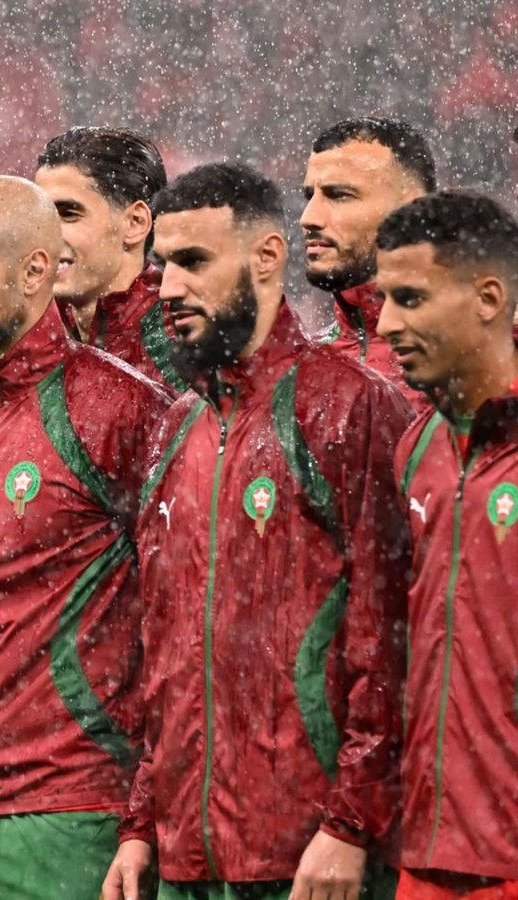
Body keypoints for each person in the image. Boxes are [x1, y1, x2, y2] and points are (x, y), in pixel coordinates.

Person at [103, 163, 413, 900]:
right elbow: (167, 647)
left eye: (195, 262)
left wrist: (349, 825)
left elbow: (389, 638)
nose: (170, 288)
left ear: (268, 258)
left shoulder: (349, 407)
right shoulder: (176, 426)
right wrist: (143, 822)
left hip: (310, 861)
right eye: (164, 264)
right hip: (184, 858)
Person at [0, 176, 169, 898]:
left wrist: (141, 816)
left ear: (36, 272)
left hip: (68, 813)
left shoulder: (123, 412)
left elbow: (177, 623)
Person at [376, 191, 518, 899]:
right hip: (429, 855)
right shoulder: (418, 446)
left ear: (489, 296)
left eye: (410, 298)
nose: (386, 323)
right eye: (383, 298)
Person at [34, 126, 183, 395]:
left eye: (68, 214)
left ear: (135, 223)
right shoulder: (28, 340)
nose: (43, 235)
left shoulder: (187, 349)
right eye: (41, 216)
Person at [301, 116, 437, 407]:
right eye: (309, 196)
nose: (308, 218)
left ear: (412, 209)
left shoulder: (480, 361)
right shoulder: (299, 370)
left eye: (339, 195)